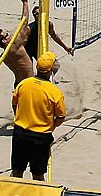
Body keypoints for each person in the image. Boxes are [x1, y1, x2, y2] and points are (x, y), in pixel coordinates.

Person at [11, 52, 65, 182]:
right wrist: (51, 126)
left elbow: (14, 105)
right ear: (51, 70)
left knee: (17, 172)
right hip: (40, 138)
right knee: (38, 175)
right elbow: (60, 117)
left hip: (20, 133)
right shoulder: (55, 92)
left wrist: (21, 118)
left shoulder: (24, 84)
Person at [0, 0, 40, 87]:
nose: (10, 35)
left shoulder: (3, 56)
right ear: (4, 40)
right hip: (29, 83)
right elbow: (24, 22)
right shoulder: (16, 46)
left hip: (18, 84)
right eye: (7, 35)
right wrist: (25, 3)